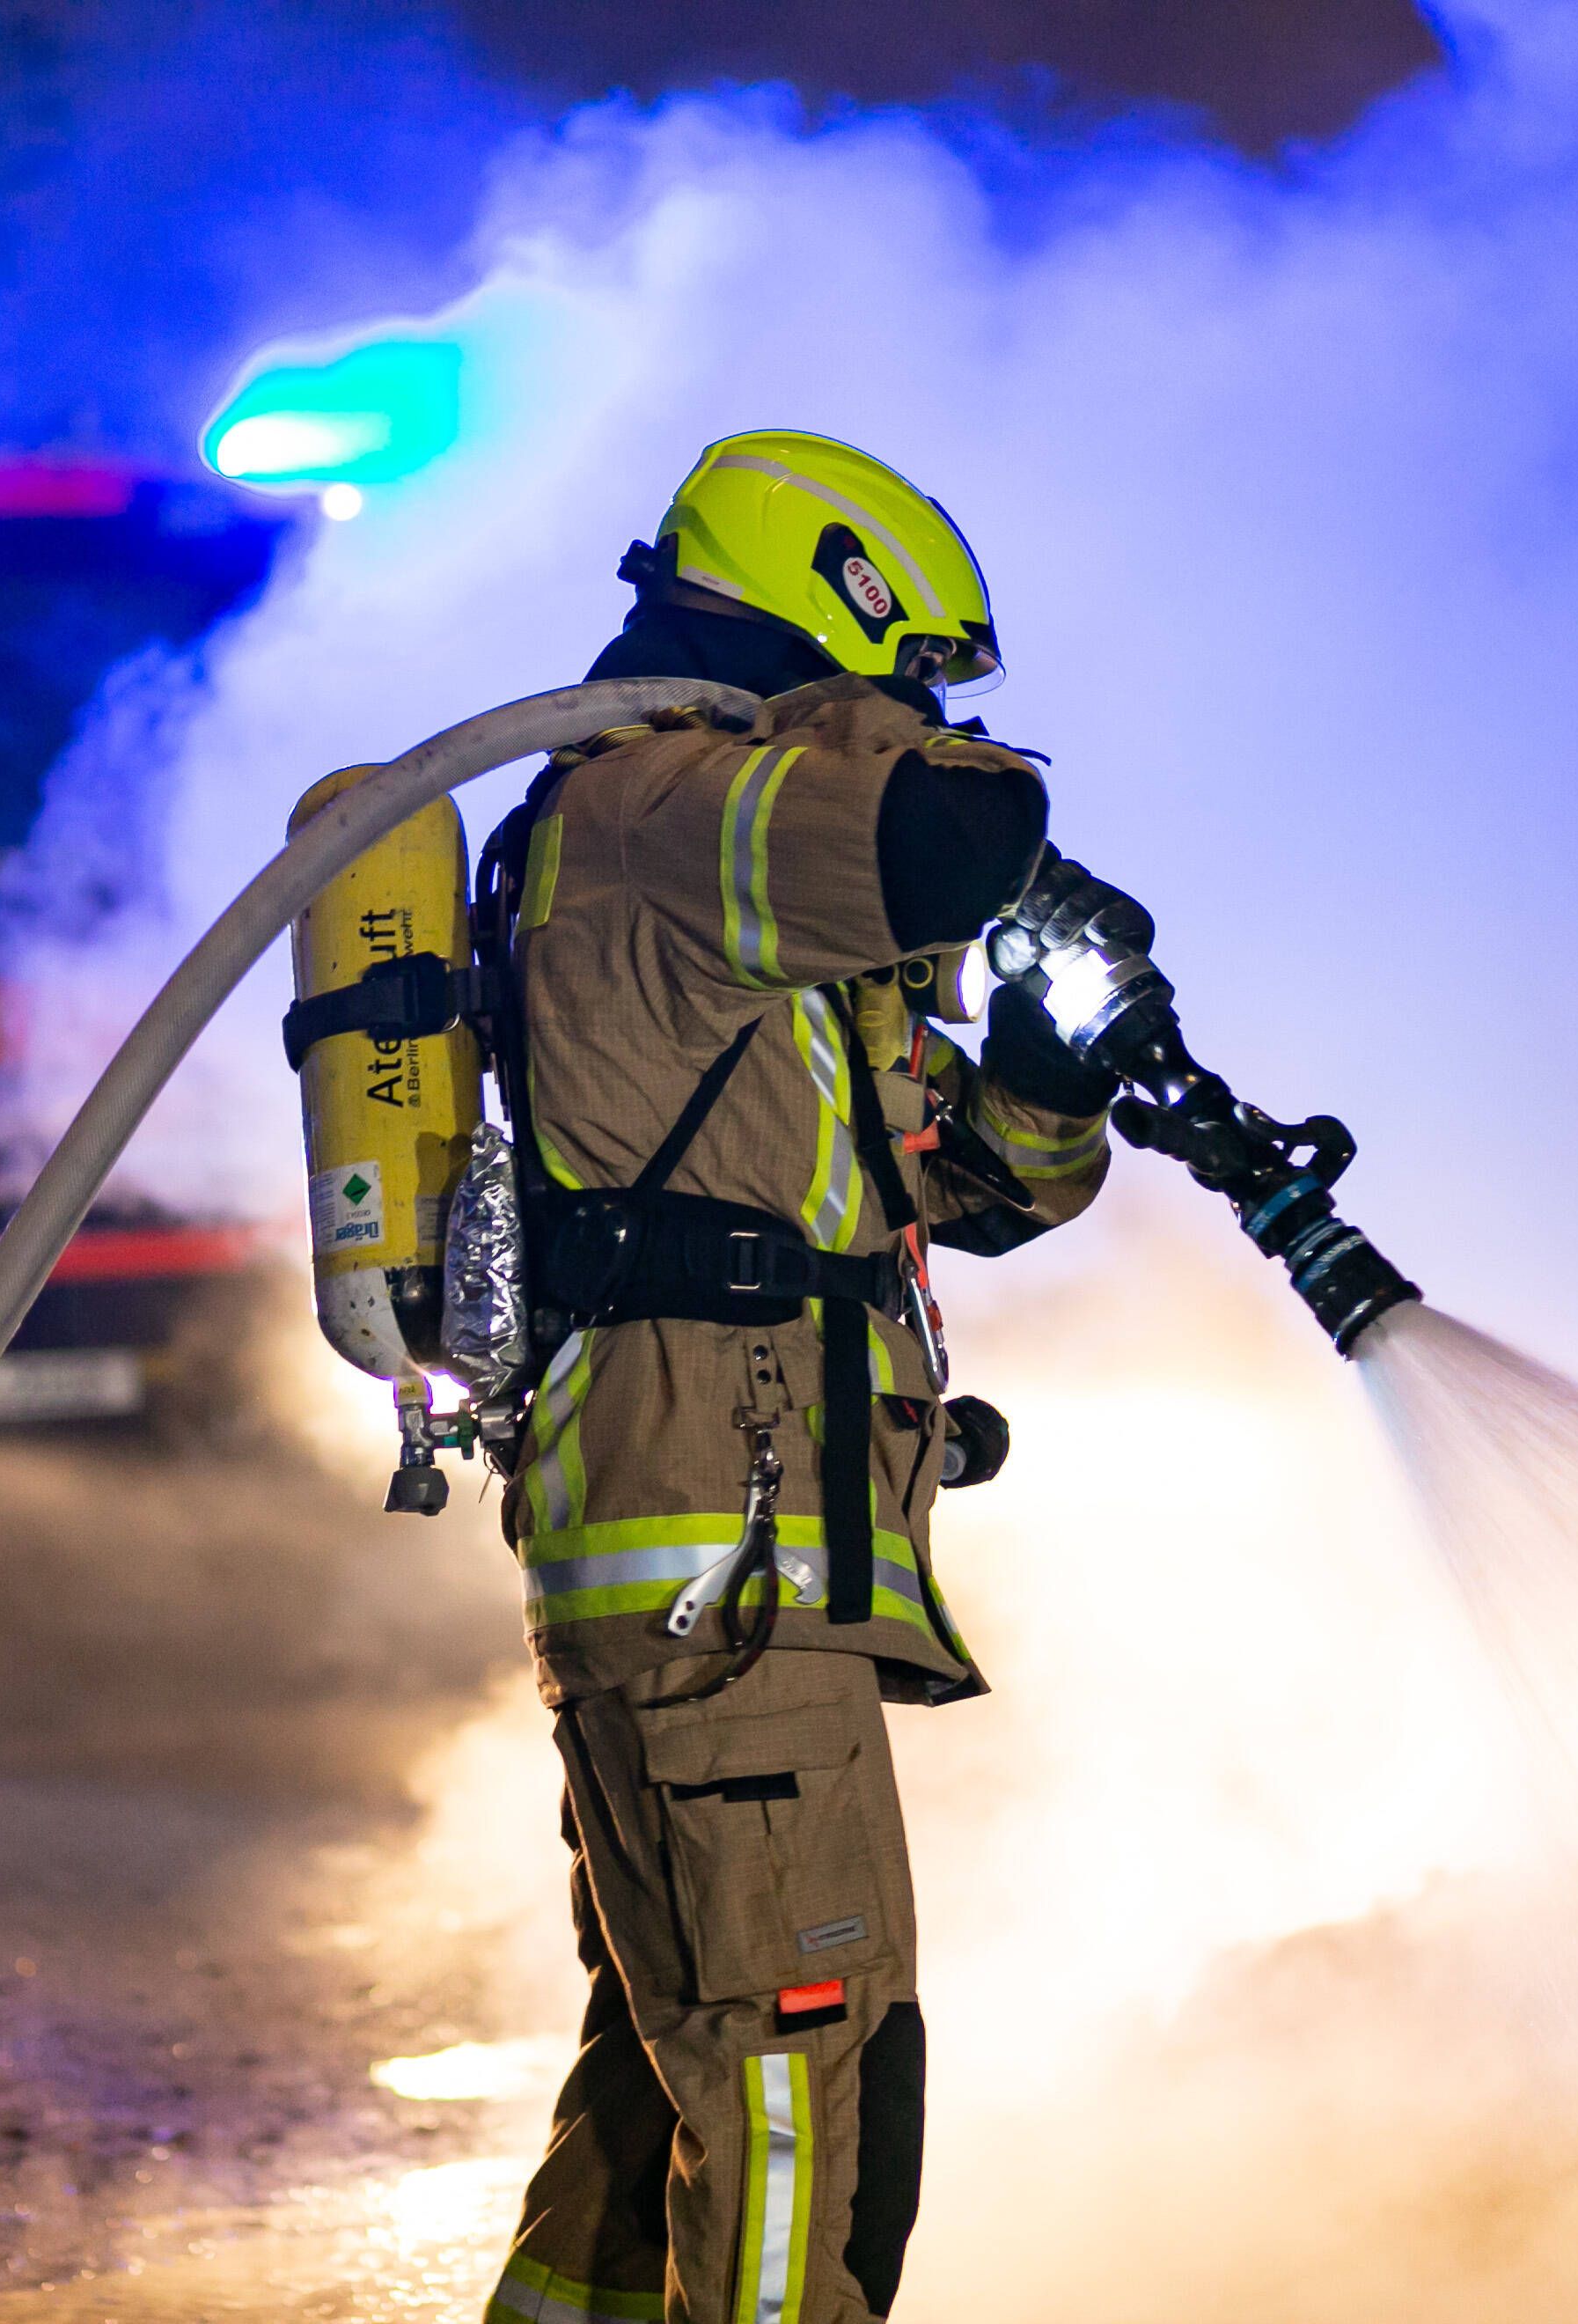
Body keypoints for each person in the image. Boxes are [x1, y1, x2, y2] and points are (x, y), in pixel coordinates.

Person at [486, 434, 1118, 2324]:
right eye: (901, 674)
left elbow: (970, 1186)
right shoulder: (669, 807)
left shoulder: (733, 878)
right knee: (801, 2103)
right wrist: (1000, 848)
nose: (917, 716)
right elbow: (948, 830)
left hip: (734, 1561)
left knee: (670, 2074)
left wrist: (1057, 1063)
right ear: (819, 612)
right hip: (720, 1568)